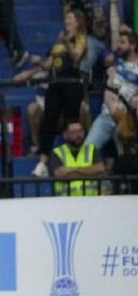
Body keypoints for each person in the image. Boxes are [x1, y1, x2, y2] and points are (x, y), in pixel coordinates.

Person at [31, 10, 88, 177]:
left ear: (78, 22)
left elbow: (77, 57)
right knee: (48, 122)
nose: (67, 20)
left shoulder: (81, 38)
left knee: (72, 122)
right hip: (55, 85)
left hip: (71, 84)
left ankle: (72, 162)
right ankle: (42, 164)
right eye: (66, 18)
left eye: (70, 18)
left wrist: (67, 43)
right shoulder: (58, 40)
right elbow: (50, 64)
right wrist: (40, 63)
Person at [51, 120, 106, 196]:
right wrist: (91, 173)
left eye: (80, 131)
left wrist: (72, 169)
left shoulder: (92, 149)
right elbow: (60, 174)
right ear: (65, 135)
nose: (78, 135)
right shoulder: (57, 152)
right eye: (73, 132)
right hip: (66, 201)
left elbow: (100, 169)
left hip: (91, 200)